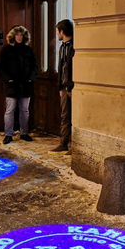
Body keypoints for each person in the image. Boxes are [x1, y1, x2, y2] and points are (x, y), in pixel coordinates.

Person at [0, 25, 37, 144]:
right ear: (13, 36)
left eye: (21, 35)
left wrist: (31, 78)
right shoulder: (6, 49)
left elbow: (34, 67)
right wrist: (8, 79)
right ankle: (8, 134)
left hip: (26, 85)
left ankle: (24, 133)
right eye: (17, 35)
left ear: (24, 36)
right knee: (10, 110)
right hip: (12, 85)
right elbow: (1, 67)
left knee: (25, 110)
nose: (19, 37)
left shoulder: (28, 50)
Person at [51, 19, 75, 153]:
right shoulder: (62, 47)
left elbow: (74, 68)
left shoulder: (74, 46)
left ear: (62, 31)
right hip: (64, 88)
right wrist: (60, 87)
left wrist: (70, 86)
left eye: (57, 32)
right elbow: (61, 68)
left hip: (72, 87)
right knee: (65, 115)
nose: (57, 35)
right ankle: (64, 143)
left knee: (75, 117)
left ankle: (74, 145)